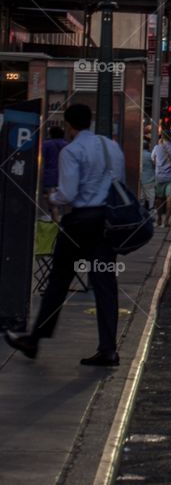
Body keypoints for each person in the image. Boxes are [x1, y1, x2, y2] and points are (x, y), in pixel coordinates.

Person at [4, 103, 125, 366]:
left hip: (80, 223)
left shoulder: (72, 151)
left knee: (59, 281)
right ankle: (108, 349)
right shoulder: (111, 147)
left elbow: (68, 194)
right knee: (105, 285)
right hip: (107, 222)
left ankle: (34, 340)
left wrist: (52, 197)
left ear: (69, 125)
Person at [152, 131, 171, 225]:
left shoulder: (157, 148)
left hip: (159, 177)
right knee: (170, 199)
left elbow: (153, 159)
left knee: (159, 199)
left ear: (162, 136)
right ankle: (167, 221)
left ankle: (159, 218)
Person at [41, 125, 68, 222]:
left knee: (52, 201)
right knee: (57, 200)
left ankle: (55, 224)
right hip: (63, 177)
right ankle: (57, 218)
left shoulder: (46, 144)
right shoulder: (66, 145)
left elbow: (42, 158)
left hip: (50, 176)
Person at [140, 137, 156, 210]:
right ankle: (151, 208)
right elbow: (155, 165)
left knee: (141, 195)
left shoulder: (138, 155)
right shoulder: (150, 155)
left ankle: (142, 209)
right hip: (150, 178)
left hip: (140, 179)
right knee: (151, 195)